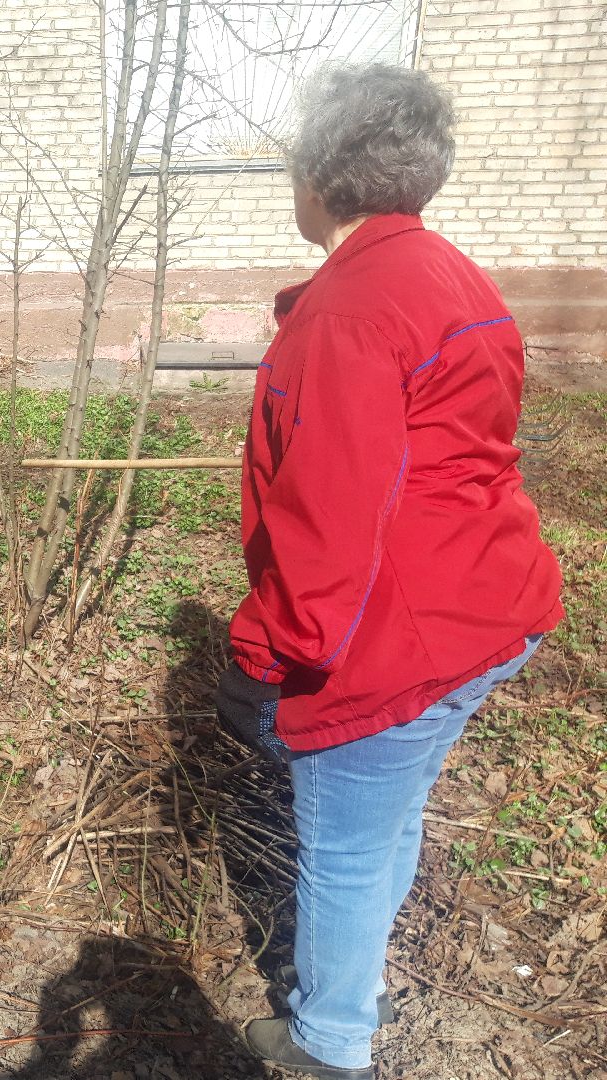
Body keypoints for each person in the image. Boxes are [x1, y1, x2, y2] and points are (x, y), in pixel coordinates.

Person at [213, 65, 563, 1079]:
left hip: (399, 641)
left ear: (320, 177)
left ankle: (328, 1044)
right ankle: (355, 990)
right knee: (388, 813)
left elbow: (326, 529)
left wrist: (264, 658)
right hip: (490, 611)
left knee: (351, 844)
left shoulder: (349, 313)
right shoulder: (455, 276)